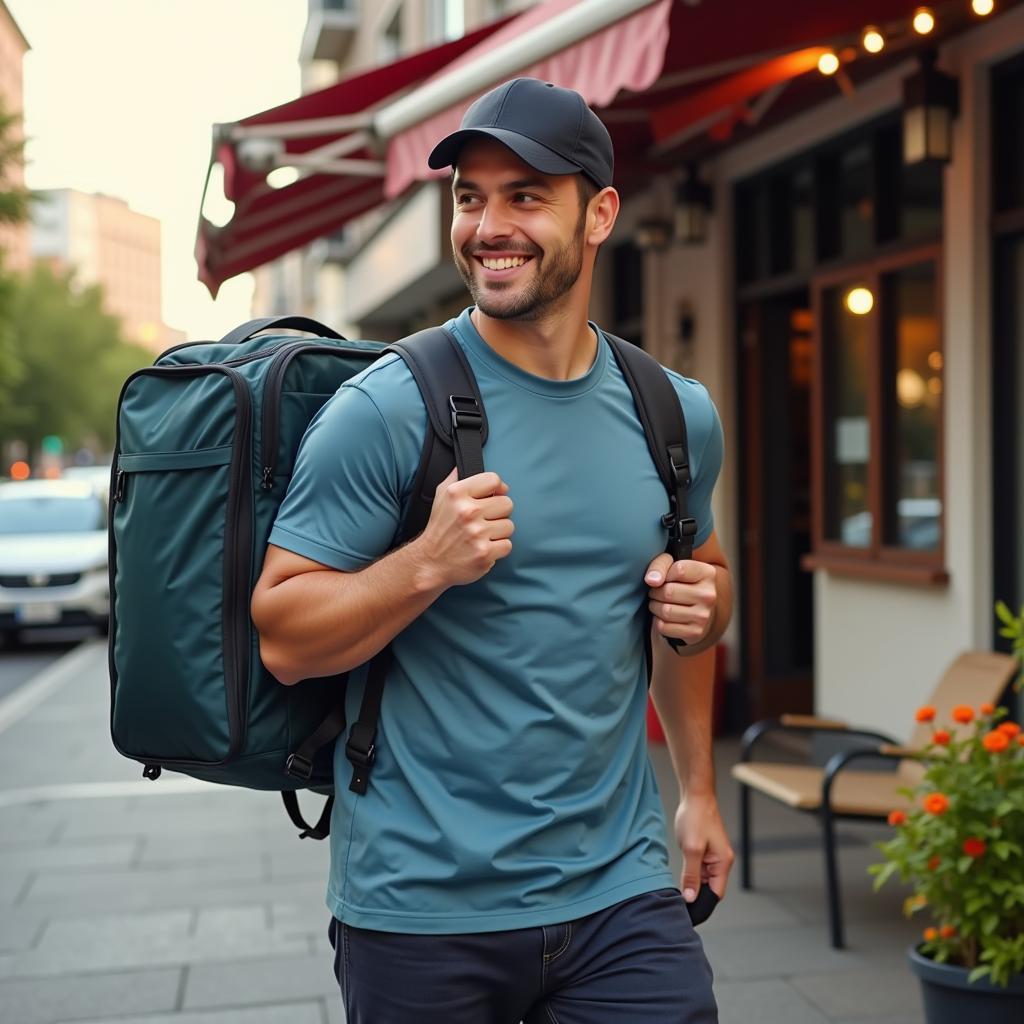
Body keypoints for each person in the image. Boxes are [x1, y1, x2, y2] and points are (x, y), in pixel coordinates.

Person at [251, 77, 734, 1024]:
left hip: (620, 892)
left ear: (598, 216)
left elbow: (697, 600)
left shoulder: (673, 412)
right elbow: (284, 635)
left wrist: (700, 788)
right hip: (423, 906)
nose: (487, 225)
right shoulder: (388, 408)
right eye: (470, 197)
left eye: (525, 196)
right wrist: (425, 562)